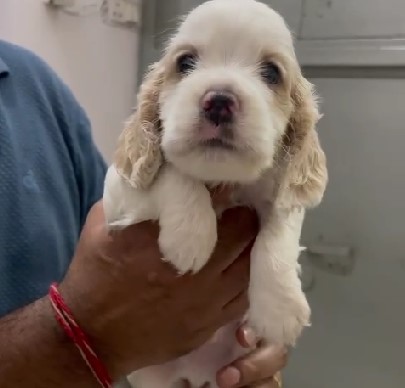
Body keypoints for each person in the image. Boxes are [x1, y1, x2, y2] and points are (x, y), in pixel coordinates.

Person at [0, 39, 287, 388]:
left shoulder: (36, 85)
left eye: (269, 73)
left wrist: (244, 328)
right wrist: (87, 336)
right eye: (187, 64)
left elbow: (123, 234)